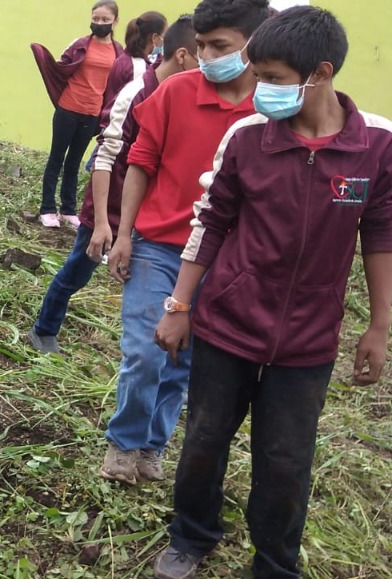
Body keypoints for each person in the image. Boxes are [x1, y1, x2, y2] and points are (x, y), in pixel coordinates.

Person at [151, 8, 392, 579]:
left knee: (287, 461)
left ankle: (277, 572)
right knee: (204, 440)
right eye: (259, 75)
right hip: (228, 325)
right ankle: (191, 536)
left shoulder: (377, 146)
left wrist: (379, 325)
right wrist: (180, 306)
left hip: (308, 342)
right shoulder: (250, 138)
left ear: (321, 73)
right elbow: (211, 221)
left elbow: (380, 234)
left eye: (276, 76)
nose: (261, 90)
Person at [99, 0, 268, 485]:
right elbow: (140, 163)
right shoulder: (175, 92)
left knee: (184, 361)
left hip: (223, 261)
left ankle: (154, 443)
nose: (207, 56)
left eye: (220, 46)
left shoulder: (268, 109)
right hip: (158, 248)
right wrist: (125, 234)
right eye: (201, 46)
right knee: (145, 351)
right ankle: (125, 441)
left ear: (252, 46)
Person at [28, 17, 197, 355]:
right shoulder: (136, 92)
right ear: (181, 55)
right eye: (202, 55)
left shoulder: (183, 96)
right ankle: (44, 328)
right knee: (79, 269)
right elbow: (104, 159)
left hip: (149, 214)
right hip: (110, 208)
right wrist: (102, 222)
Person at [31, 0, 124, 228]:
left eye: (104, 20)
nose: (99, 23)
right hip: (68, 108)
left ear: (115, 21)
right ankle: (47, 208)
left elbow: (119, 82)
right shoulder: (80, 44)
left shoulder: (118, 51)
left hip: (92, 113)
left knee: (74, 162)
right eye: (96, 19)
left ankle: (68, 209)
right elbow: (62, 66)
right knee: (56, 158)